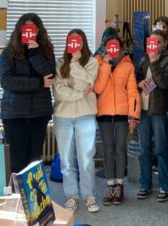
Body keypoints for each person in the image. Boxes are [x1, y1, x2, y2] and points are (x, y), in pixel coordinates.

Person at [0, 13, 55, 173]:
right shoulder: (8, 53)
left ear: (39, 31)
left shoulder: (46, 51)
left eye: (33, 29)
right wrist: (39, 83)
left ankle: (34, 198)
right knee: (16, 163)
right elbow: (8, 82)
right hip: (15, 115)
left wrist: (34, 54)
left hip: (39, 114)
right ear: (19, 30)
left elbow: (50, 76)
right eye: (26, 29)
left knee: (34, 161)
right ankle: (18, 198)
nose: (30, 32)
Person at [53, 29, 99, 213]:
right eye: (71, 41)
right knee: (66, 160)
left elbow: (88, 83)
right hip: (62, 117)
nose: (73, 45)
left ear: (83, 43)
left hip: (86, 116)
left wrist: (75, 65)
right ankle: (72, 196)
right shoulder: (59, 63)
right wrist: (80, 94)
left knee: (86, 159)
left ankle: (89, 196)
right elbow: (58, 92)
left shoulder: (92, 62)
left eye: (77, 41)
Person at [93, 35, 140, 206]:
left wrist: (134, 116)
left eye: (116, 47)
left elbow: (133, 92)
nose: (113, 50)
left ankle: (119, 186)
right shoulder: (97, 63)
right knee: (107, 150)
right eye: (109, 47)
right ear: (104, 48)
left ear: (120, 48)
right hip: (103, 112)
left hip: (122, 113)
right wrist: (106, 64)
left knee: (120, 149)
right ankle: (110, 185)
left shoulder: (127, 65)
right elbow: (97, 87)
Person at [135, 30, 168, 202]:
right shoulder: (144, 58)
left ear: (164, 43)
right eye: (152, 42)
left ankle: (164, 186)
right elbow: (137, 77)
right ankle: (145, 183)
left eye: (158, 42)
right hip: (143, 109)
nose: (155, 45)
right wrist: (139, 82)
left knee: (161, 149)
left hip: (159, 109)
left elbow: (165, 83)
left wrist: (154, 62)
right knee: (144, 149)